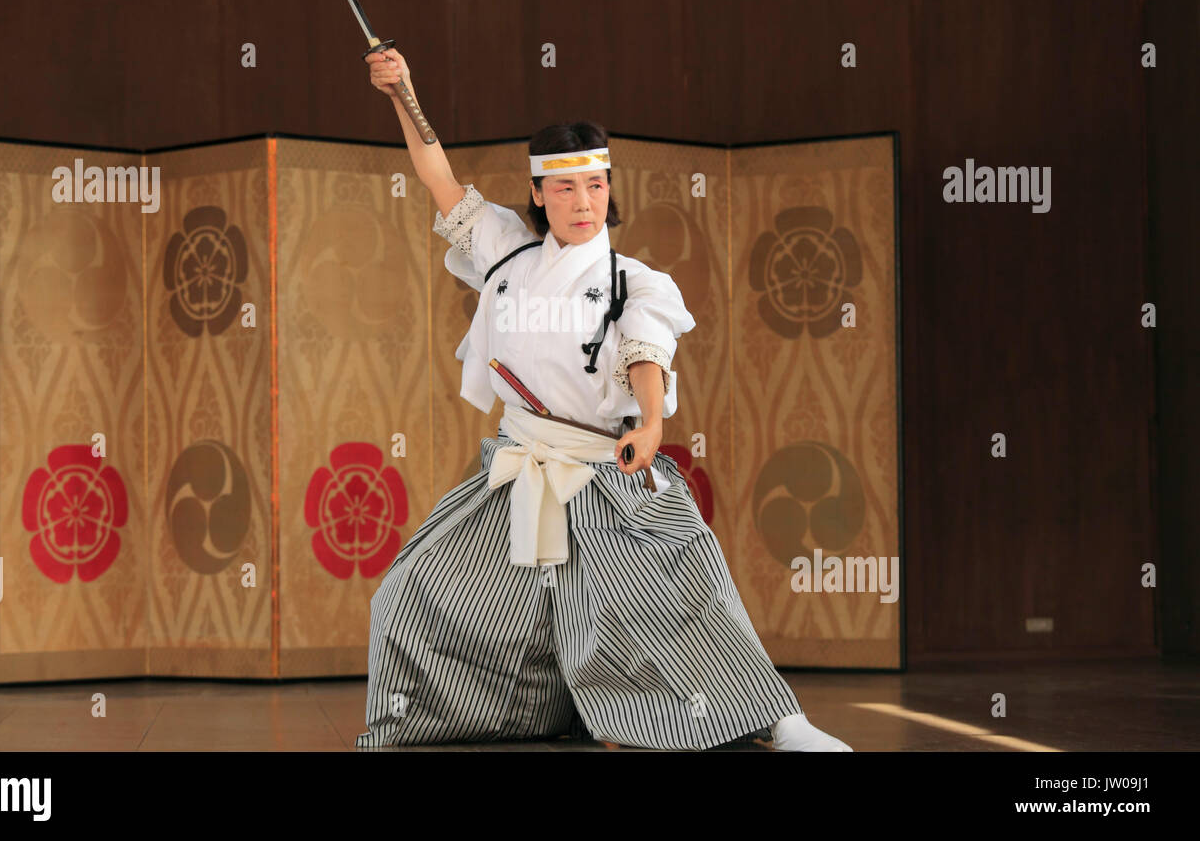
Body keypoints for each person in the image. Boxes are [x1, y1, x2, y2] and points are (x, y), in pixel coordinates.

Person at [354, 47, 852, 752]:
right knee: (414, 592)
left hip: (609, 466)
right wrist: (403, 92)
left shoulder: (635, 279)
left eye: (593, 186)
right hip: (520, 464)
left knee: (683, 595)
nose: (581, 203)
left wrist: (651, 425)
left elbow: (646, 351)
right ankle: (501, 714)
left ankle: (777, 721)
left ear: (609, 187)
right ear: (538, 195)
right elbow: (438, 175)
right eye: (564, 190)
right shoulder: (506, 253)